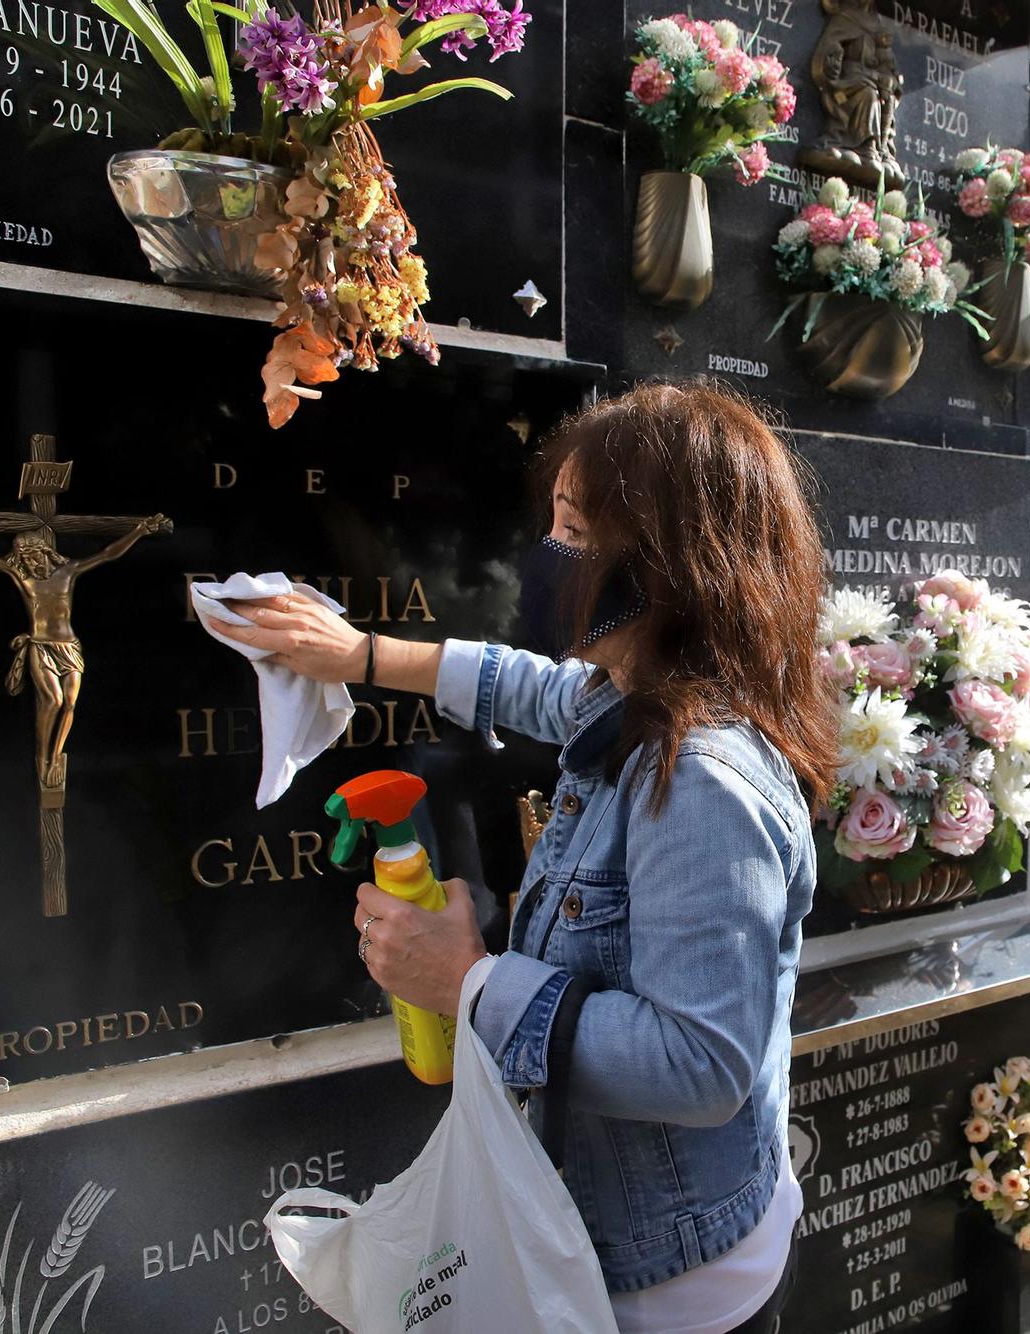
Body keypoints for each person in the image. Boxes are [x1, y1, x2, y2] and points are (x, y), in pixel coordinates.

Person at [206, 382, 838, 1334]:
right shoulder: (634, 690)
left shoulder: (702, 776)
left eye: (578, 535)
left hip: (667, 1288)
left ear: (669, 563)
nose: (550, 560)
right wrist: (363, 655)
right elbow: (533, 689)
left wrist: (467, 979)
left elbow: (703, 1066)